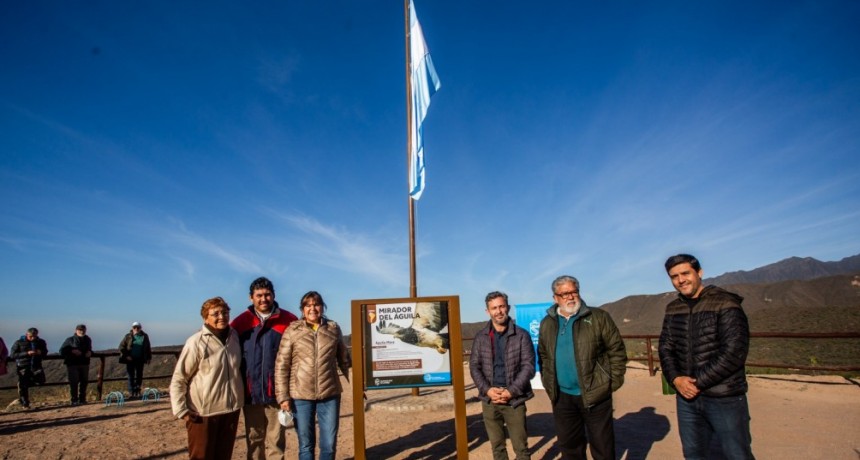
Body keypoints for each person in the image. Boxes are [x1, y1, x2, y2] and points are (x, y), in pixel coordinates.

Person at [658, 254, 755, 459]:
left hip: (724, 395)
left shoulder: (725, 303)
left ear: (699, 273)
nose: (681, 280)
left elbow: (734, 352)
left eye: (685, 273)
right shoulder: (673, 308)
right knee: (694, 454)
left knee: (736, 453)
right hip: (687, 399)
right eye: (674, 276)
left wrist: (696, 382)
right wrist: (676, 379)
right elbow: (665, 348)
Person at [537, 275, 627, 460]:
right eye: (564, 294)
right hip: (562, 397)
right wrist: (549, 383)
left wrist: (610, 384)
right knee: (570, 447)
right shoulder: (547, 323)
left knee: (602, 447)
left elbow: (616, 351)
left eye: (574, 292)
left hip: (596, 394)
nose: (570, 297)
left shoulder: (598, 317)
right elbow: (544, 355)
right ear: (555, 298)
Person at [275, 291, 350, 460]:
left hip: (330, 394)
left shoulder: (333, 328)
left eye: (316, 304)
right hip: (300, 396)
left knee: (329, 445)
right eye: (308, 305)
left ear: (322, 307)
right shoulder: (292, 330)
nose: (312, 309)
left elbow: (344, 360)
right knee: (306, 445)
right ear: (302, 309)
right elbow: (281, 366)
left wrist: (358, 384)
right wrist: (283, 397)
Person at [231, 277, 298, 460]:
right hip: (250, 393)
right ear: (251, 297)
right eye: (259, 295)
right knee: (254, 440)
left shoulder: (289, 320)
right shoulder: (240, 322)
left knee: (276, 441)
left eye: (267, 294)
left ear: (274, 295)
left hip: (276, 393)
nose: (263, 299)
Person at [170, 297, 244, 460]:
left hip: (230, 410)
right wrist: (181, 410)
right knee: (202, 456)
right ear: (205, 317)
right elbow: (179, 378)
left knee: (223, 456)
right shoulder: (196, 342)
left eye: (224, 312)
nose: (221, 317)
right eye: (215, 313)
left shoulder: (234, 338)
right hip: (203, 412)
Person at [469, 291, 536, 460]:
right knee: (497, 447)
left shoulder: (521, 335)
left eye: (501, 306)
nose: (498, 311)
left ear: (508, 307)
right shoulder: (480, 337)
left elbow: (528, 367)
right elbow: (474, 366)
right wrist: (487, 390)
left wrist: (511, 391)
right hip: (490, 399)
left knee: (521, 448)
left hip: (514, 399)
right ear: (487, 311)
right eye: (494, 308)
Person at [10, 328, 49, 409]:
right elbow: (13, 355)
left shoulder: (40, 342)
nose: (33, 338)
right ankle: (25, 403)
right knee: (23, 385)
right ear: (26, 334)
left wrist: (40, 352)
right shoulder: (19, 342)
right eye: (31, 336)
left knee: (41, 380)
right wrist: (26, 353)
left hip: (36, 365)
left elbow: (45, 352)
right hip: (23, 366)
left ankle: (24, 385)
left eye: (34, 336)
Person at [60, 324, 93, 405]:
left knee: (84, 381)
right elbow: (62, 351)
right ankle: (74, 399)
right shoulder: (70, 340)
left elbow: (89, 349)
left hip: (84, 363)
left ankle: (82, 399)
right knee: (74, 382)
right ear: (76, 330)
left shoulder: (88, 339)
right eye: (80, 330)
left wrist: (90, 352)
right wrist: (72, 351)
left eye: (83, 330)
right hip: (73, 364)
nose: (81, 331)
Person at [119, 321, 152, 398]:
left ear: (140, 328)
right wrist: (126, 356)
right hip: (130, 359)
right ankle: (131, 392)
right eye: (135, 327)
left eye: (138, 327)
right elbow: (121, 347)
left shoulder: (145, 336)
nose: (136, 329)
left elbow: (148, 348)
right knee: (131, 376)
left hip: (140, 359)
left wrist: (149, 357)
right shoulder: (128, 336)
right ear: (132, 328)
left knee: (139, 375)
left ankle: (137, 391)